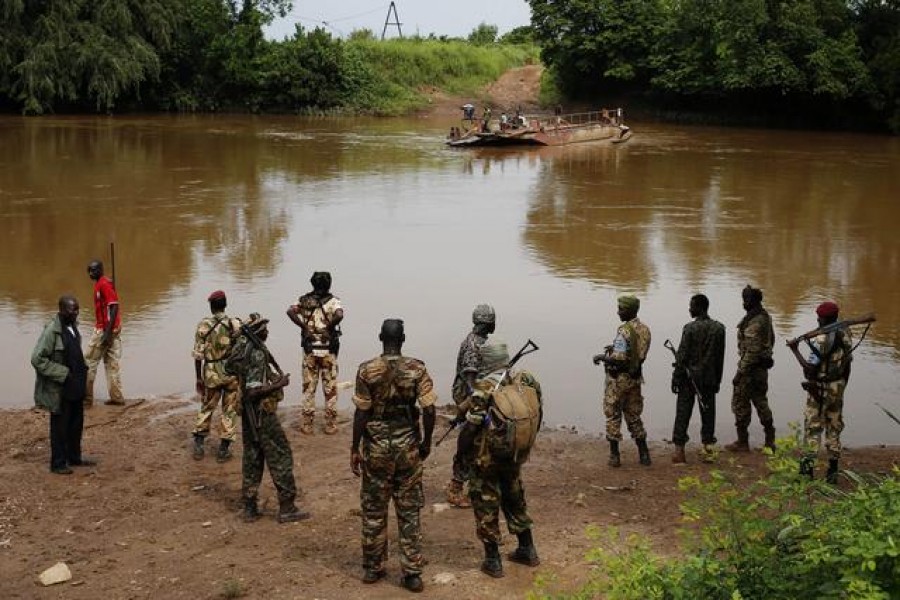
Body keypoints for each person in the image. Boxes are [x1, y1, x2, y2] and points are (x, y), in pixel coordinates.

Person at [350, 319, 436, 593]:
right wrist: (425, 442)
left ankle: (373, 568)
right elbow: (430, 409)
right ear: (403, 339)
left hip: (376, 448)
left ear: (380, 338)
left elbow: (362, 412)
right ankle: (411, 573)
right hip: (407, 447)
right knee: (409, 510)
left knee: (374, 509)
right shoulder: (417, 368)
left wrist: (354, 448)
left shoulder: (366, 370)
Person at [458, 343, 542, 579]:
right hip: (514, 453)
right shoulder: (526, 381)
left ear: (486, 362)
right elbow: (538, 410)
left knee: (486, 503)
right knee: (515, 497)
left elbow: (471, 427)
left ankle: (493, 560)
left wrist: (461, 455)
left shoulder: (484, 388)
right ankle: (528, 548)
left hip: (487, 458)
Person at [233, 314, 311, 523]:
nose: (267, 332)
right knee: (280, 455)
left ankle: (249, 507)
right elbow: (253, 391)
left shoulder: (243, 350)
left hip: (249, 415)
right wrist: (279, 384)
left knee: (252, 457)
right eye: (264, 328)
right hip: (262, 413)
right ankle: (287, 506)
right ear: (258, 332)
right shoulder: (257, 353)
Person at [787, 301, 852, 483]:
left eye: (820, 317)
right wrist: (842, 385)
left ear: (825, 318)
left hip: (820, 388)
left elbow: (809, 370)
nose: (818, 319)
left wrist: (795, 351)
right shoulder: (846, 332)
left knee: (813, 427)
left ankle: (807, 472)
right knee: (834, 425)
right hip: (837, 386)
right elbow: (848, 363)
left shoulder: (821, 339)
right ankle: (832, 472)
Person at [31, 296, 96, 474]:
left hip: (76, 385)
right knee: (60, 427)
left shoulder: (73, 326)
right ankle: (58, 463)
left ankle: (74, 458)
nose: (76, 313)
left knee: (76, 424)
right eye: (72, 310)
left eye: (77, 309)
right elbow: (37, 359)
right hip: (60, 388)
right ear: (61, 310)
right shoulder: (52, 330)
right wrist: (62, 373)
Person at [446, 304, 496, 508]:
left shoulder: (480, 341)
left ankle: (475, 483)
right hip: (470, 396)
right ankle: (456, 486)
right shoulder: (474, 344)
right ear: (489, 324)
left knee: (481, 440)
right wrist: (474, 399)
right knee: (471, 437)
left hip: (477, 394)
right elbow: (469, 376)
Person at [593, 295, 652, 467]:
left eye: (621, 309)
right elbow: (637, 353)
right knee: (634, 415)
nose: (618, 312)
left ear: (630, 310)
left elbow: (619, 359)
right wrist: (614, 348)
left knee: (613, 415)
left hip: (618, 380)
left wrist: (602, 357)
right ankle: (644, 455)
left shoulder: (623, 330)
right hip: (635, 379)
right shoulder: (645, 329)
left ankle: (614, 456)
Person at [286, 271, 344, 435]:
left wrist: (304, 327)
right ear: (329, 284)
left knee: (308, 389)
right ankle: (331, 426)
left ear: (312, 284)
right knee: (330, 390)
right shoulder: (334, 301)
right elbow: (340, 315)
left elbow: (290, 312)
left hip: (309, 350)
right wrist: (329, 327)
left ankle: (307, 425)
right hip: (328, 352)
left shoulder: (304, 300)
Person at [670, 294, 726, 464]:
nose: (689, 308)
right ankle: (708, 450)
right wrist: (718, 381)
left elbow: (682, 356)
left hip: (688, 379)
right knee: (708, 413)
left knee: (682, 413)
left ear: (700, 307)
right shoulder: (719, 328)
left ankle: (680, 453)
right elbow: (719, 358)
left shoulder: (689, 328)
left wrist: (676, 378)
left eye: (691, 305)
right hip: (709, 379)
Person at [191, 290, 242, 462]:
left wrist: (199, 378)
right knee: (229, 410)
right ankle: (223, 450)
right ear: (225, 305)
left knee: (207, 407)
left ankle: (199, 446)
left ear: (211, 306)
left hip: (211, 372)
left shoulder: (203, 325)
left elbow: (198, 355)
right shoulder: (234, 324)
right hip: (230, 373)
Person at [725, 285, 776, 452]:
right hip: (761, 369)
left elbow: (752, 351)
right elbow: (770, 341)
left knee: (740, 403)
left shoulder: (755, 321)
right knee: (761, 401)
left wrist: (739, 373)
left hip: (751, 370)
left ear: (752, 301)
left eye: (746, 299)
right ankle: (770, 441)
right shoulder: (764, 317)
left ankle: (743, 442)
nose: (743, 303)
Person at [85, 260, 124, 406]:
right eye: (89, 270)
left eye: (94, 270)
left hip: (104, 329)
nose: (91, 273)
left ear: (101, 270)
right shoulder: (103, 283)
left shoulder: (103, 284)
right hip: (112, 328)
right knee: (111, 363)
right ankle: (117, 398)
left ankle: (86, 400)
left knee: (88, 362)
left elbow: (114, 308)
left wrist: (106, 333)